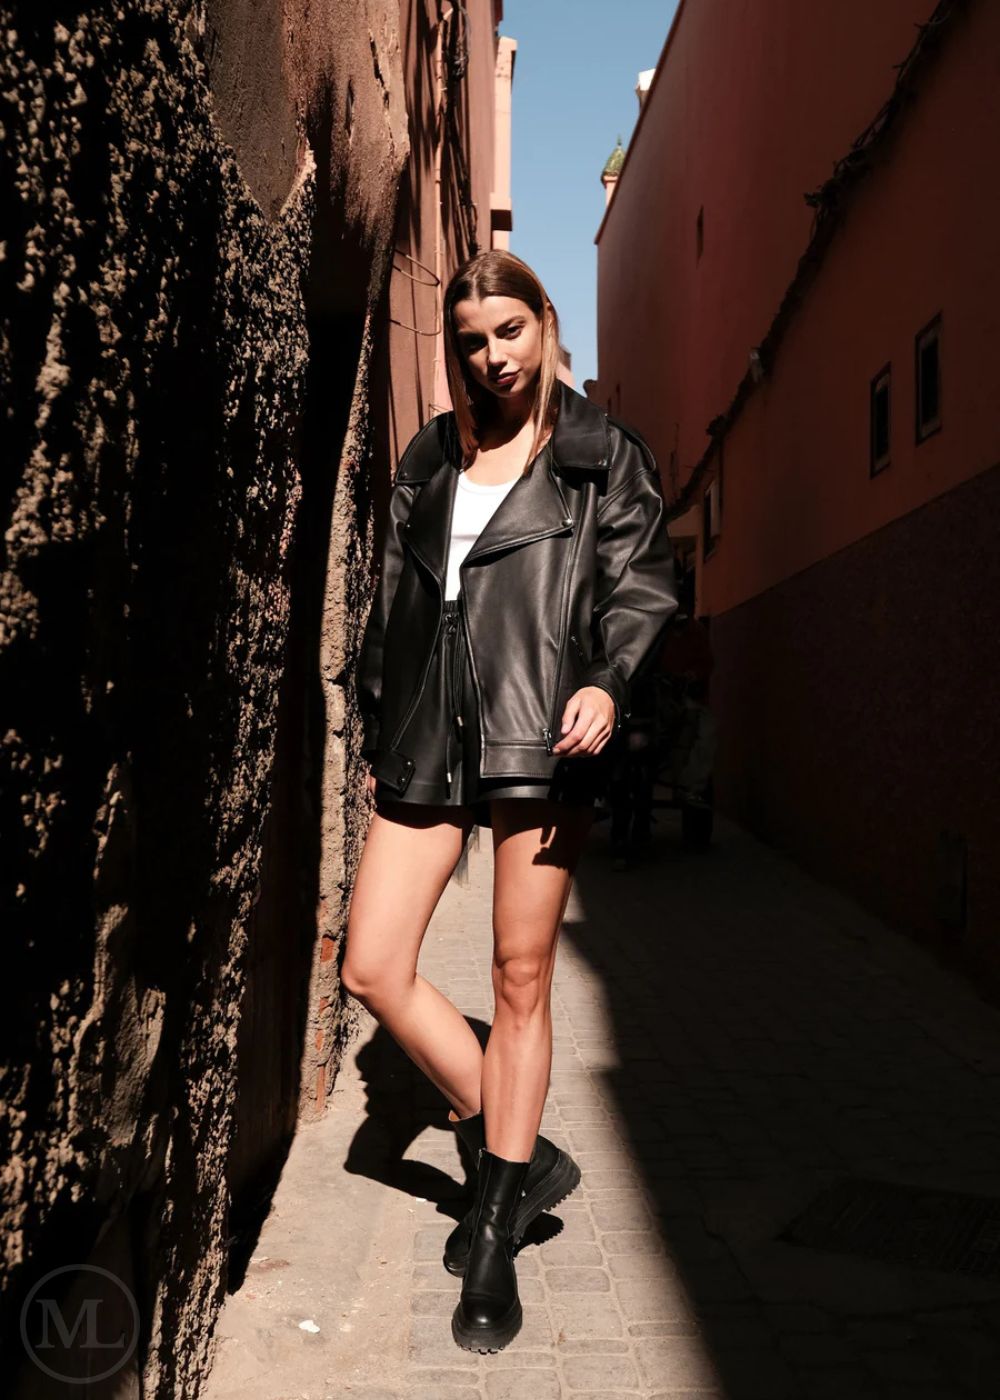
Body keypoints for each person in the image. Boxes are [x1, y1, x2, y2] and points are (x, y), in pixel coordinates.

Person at [343, 249, 679, 1353]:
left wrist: (607, 675)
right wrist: (376, 710)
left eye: (509, 331)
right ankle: (522, 1146)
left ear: (544, 321)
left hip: (544, 722)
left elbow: (641, 581)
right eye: (474, 339)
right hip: (429, 726)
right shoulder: (433, 453)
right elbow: (397, 589)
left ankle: (490, 1227)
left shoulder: (597, 453)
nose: (492, 356)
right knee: (373, 963)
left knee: (519, 974)